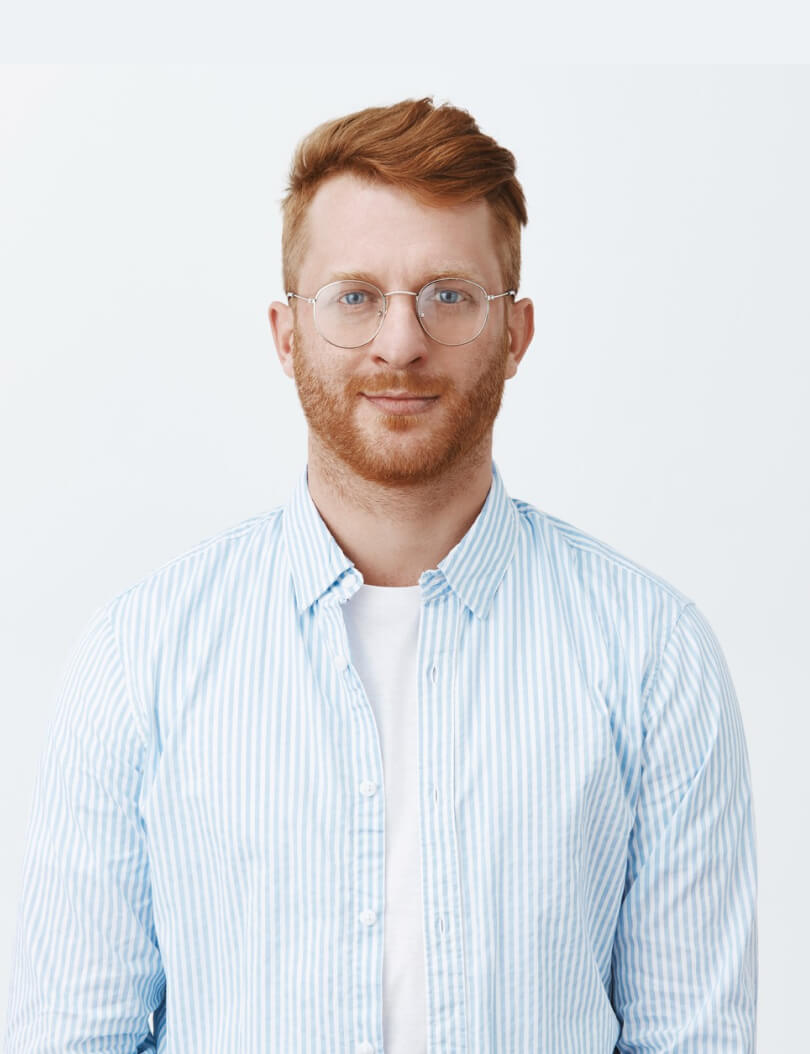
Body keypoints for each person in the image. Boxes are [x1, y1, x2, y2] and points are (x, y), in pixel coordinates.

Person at [5, 97, 757, 1053]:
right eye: (354, 296)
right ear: (285, 334)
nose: (399, 343)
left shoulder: (653, 656)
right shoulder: (139, 655)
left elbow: (697, 1039)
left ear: (516, 333)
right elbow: (72, 1037)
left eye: (448, 294)